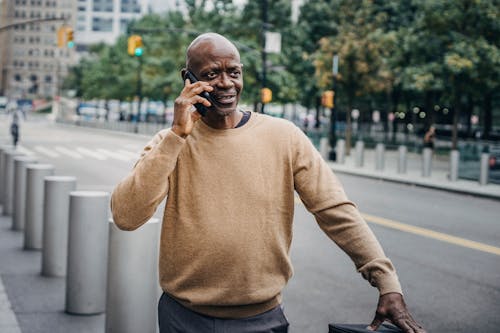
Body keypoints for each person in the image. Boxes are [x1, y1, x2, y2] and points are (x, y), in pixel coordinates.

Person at [111, 33, 426, 333]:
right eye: (211, 74)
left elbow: (336, 210)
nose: (225, 83)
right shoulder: (171, 143)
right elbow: (127, 215)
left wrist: (387, 282)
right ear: (188, 79)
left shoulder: (284, 136)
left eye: (233, 72)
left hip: (262, 318)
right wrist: (176, 136)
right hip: (184, 317)